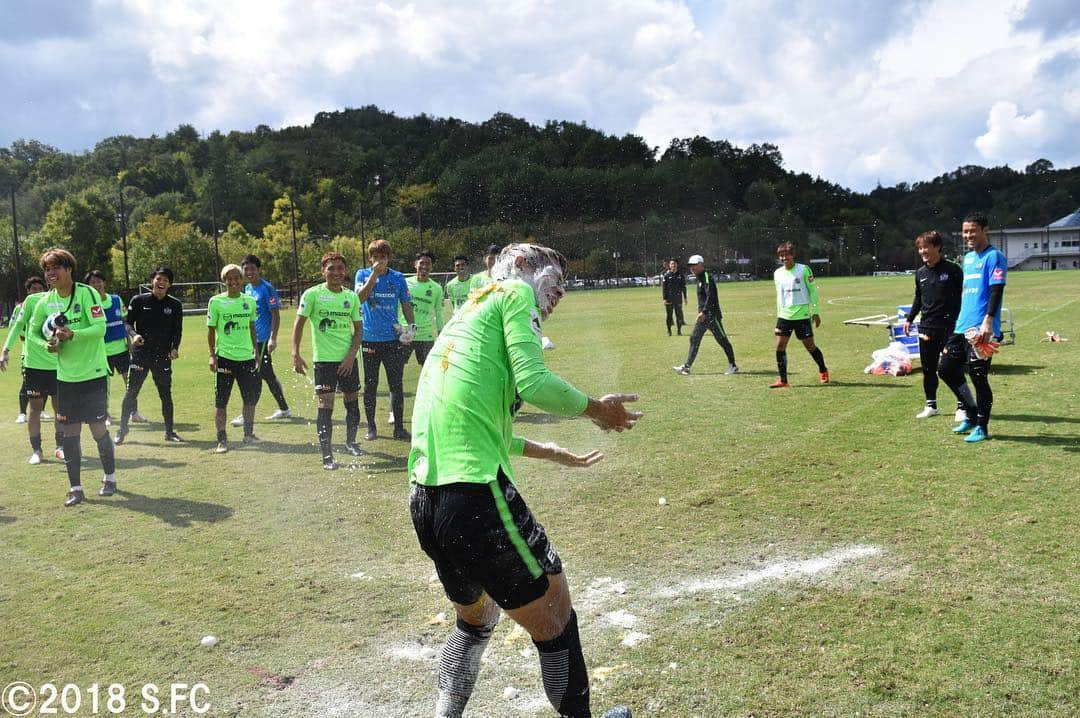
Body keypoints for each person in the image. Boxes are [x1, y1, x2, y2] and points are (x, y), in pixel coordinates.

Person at [409, 243, 639, 718]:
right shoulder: (513, 292)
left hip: (425, 499)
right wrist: (598, 410)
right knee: (557, 622)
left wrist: (548, 450)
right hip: (474, 497)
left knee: (476, 621)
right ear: (518, 265)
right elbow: (534, 383)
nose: (557, 292)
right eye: (554, 277)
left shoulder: (468, 315)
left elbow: (478, 422)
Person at [28, 248, 117, 506]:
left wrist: (72, 334)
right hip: (66, 377)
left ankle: (109, 477)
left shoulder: (86, 293)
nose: (50, 273)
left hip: (93, 373)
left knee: (98, 428)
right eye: (47, 269)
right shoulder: (45, 301)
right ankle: (75, 488)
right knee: (69, 432)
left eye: (55, 267)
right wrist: (48, 344)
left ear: (69, 269)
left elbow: (99, 328)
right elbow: (32, 332)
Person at [937, 212, 1007, 443]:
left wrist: (988, 321)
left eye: (972, 230)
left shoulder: (994, 257)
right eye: (965, 231)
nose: (968, 235)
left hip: (981, 329)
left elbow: (996, 291)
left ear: (985, 230)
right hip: (962, 327)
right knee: (946, 369)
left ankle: (982, 427)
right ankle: (970, 411)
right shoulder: (967, 259)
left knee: (978, 377)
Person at [292, 251, 364, 469]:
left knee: (352, 400)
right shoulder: (312, 295)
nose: (336, 272)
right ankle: (327, 455)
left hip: (347, 361)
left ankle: (351, 443)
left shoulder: (351, 297)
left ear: (345, 271)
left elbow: (359, 330)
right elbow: (298, 324)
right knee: (326, 404)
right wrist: (295, 353)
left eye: (340, 268)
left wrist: (350, 357)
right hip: (324, 361)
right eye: (331, 268)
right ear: (323, 270)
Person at [902, 231, 974, 420]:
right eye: (920, 248)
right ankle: (931, 405)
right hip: (927, 328)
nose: (922, 251)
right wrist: (910, 319)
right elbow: (919, 297)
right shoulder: (920, 273)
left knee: (952, 368)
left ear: (937, 247)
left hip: (952, 327)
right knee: (928, 368)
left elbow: (965, 296)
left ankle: (962, 407)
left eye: (926, 247)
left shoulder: (953, 270)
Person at [115, 266, 184, 444]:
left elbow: (178, 330)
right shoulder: (138, 300)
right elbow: (127, 324)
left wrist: (174, 347)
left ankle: (169, 432)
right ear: (152, 281)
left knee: (165, 394)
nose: (161, 283)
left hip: (162, 356)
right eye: (158, 279)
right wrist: (134, 335)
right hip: (140, 355)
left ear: (169, 285)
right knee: (131, 393)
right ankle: (122, 430)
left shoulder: (175, 305)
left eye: (165, 281)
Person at [354, 239, 414, 441]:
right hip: (369, 340)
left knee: (396, 385)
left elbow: (406, 303)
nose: (379, 261)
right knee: (370, 385)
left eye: (383, 257)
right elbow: (359, 299)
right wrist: (374, 275)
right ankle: (371, 428)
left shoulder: (397, 278)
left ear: (389, 258)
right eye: (375, 257)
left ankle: (399, 428)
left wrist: (411, 327)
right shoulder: (362, 274)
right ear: (370, 258)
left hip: (393, 339)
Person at [1, 275, 62, 464]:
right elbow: (18, 325)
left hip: (60, 364)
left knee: (60, 408)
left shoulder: (69, 300)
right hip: (35, 365)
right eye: (50, 275)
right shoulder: (33, 300)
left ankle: (61, 447)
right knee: (35, 409)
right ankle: (37, 451)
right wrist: (5, 350)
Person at [229, 255, 292, 427]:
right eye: (246, 269)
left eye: (252, 269)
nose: (249, 272)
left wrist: (273, 337)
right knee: (268, 375)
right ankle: (284, 409)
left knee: (254, 376)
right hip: (250, 340)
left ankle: (246, 414)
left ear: (259, 270)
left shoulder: (267, 288)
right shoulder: (247, 288)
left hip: (263, 340)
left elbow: (275, 314)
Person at [207, 264, 261, 453]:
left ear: (242, 279)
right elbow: (211, 331)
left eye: (237, 277)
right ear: (224, 281)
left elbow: (252, 328)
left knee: (249, 399)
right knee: (221, 401)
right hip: (225, 359)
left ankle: (248, 434)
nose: (233, 281)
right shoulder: (216, 302)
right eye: (229, 278)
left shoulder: (250, 301)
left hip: (247, 358)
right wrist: (212, 356)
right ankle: (222, 439)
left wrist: (256, 352)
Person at [771, 242, 829, 387]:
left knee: (810, 347)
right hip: (784, 316)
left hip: (802, 316)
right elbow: (780, 296)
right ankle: (783, 380)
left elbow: (813, 291)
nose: (784, 258)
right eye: (781, 255)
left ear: (793, 255)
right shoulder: (777, 273)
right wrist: (779, 316)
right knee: (779, 347)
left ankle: (823, 369)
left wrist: (815, 312)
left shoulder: (804, 270)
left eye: (787, 255)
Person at [673, 255, 738, 376]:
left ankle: (733, 365)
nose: (692, 268)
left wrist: (704, 312)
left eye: (694, 265)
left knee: (722, 340)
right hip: (703, 317)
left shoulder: (707, 277)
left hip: (711, 316)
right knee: (694, 338)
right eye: (690, 266)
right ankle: (687, 367)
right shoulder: (699, 278)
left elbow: (711, 296)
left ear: (701, 265)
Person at [84, 270, 132, 424]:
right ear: (88, 286)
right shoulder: (89, 304)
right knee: (103, 386)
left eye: (99, 281)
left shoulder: (116, 299)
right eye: (93, 282)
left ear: (104, 282)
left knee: (130, 382)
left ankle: (133, 411)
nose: (97, 284)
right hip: (101, 352)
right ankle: (105, 414)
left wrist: (129, 342)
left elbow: (125, 322)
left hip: (122, 350)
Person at [6, 276, 54, 425]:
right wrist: (27, 337)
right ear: (28, 291)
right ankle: (22, 413)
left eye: (40, 289)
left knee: (46, 385)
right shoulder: (22, 306)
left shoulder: (49, 303)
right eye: (34, 289)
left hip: (47, 351)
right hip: (29, 352)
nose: (37, 291)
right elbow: (15, 326)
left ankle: (42, 410)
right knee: (27, 383)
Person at [660, 258, 687, 336]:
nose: (673, 265)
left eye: (674, 264)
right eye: (672, 264)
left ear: (677, 265)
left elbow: (683, 287)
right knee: (669, 315)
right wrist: (664, 299)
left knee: (678, 315)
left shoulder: (680, 275)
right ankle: (669, 331)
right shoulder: (666, 275)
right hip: (669, 299)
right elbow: (664, 288)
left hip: (678, 299)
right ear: (669, 265)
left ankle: (679, 331)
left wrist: (685, 297)